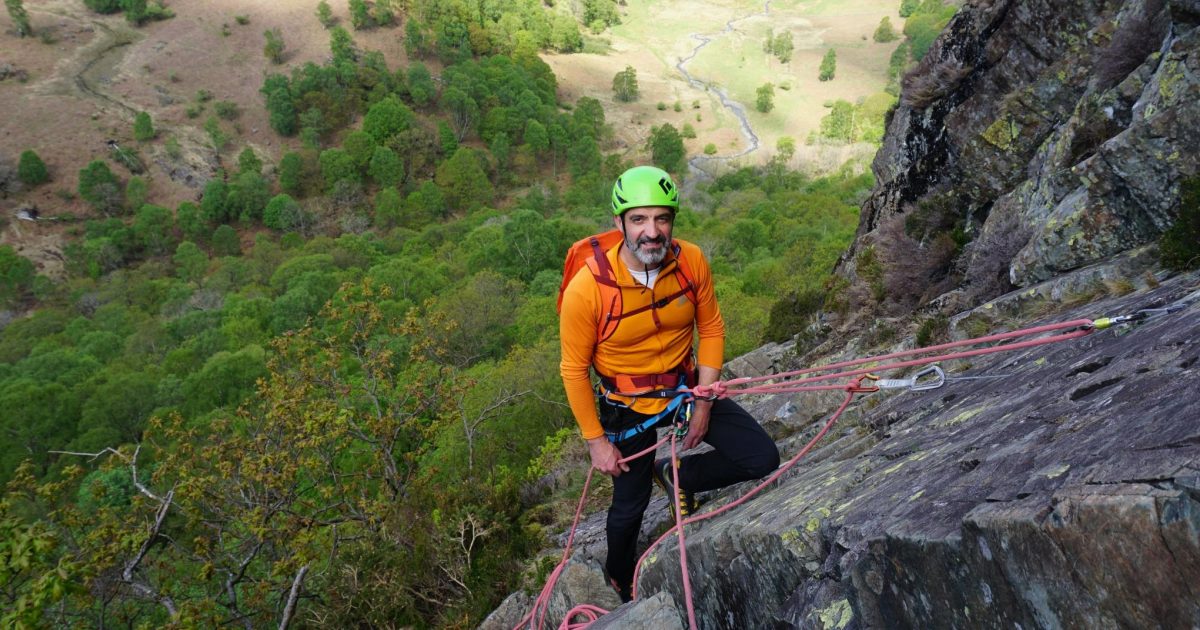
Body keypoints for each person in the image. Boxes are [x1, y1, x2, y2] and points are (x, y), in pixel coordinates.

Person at [558, 165, 780, 603]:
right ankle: (619, 578)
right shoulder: (589, 289)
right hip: (626, 403)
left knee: (762, 457)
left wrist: (702, 402)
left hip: (684, 388)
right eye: (639, 219)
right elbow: (573, 369)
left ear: (673, 221)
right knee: (628, 508)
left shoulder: (691, 260)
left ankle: (679, 476)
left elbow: (711, 328)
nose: (652, 231)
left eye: (661, 218)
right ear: (619, 223)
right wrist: (596, 442)